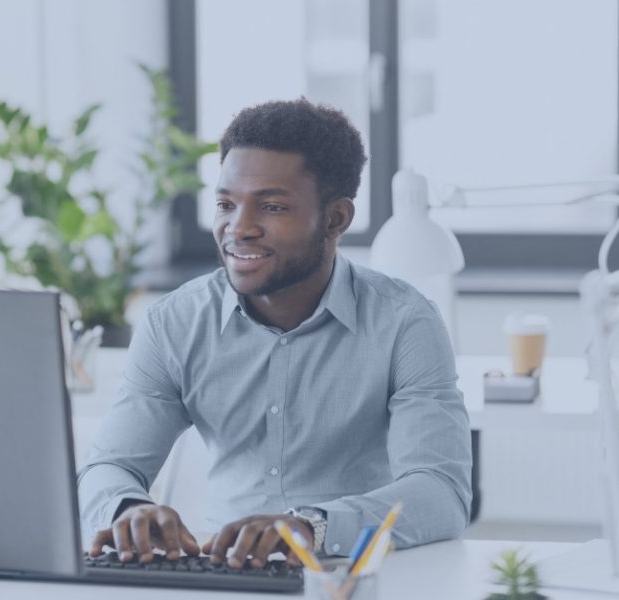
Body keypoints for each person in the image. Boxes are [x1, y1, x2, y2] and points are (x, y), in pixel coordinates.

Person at [77, 98, 472, 569]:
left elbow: (440, 491)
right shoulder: (175, 323)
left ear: (336, 219)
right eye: (225, 204)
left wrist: (310, 526)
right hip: (222, 575)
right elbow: (108, 466)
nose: (238, 228)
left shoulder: (405, 322)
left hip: (356, 576)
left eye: (271, 206)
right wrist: (127, 508)